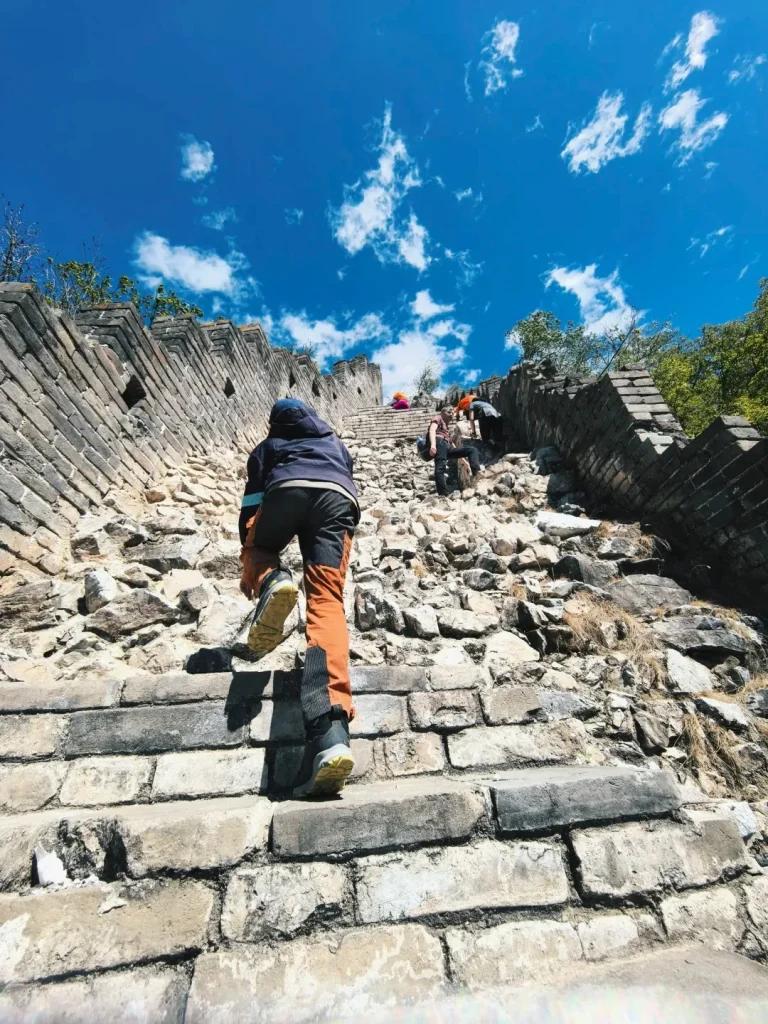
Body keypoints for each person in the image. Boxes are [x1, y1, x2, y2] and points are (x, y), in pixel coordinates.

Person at [239, 398, 359, 798]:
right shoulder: (335, 442)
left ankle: (274, 581)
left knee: (260, 550)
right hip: (337, 499)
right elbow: (348, 477)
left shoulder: (268, 447)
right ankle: (330, 733)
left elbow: (252, 503)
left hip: (284, 488)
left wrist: (253, 563)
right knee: (326, 602)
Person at [426, 405, 481, 496]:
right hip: (439, 443)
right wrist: (433, 445)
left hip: (447, 446)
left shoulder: (446, 429)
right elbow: (432, 430)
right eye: (449, 412)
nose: (451, 414)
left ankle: (477, 473)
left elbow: (452, 445)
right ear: (442, 412)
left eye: (452, 413)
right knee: (440, 468)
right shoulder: (438, 417)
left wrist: (464, 462)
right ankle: (443, 495)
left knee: (472, 450)